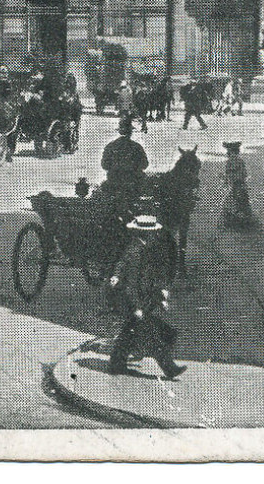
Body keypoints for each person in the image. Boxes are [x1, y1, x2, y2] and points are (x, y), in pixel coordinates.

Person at [106, 213, 185, 380]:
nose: (156, 235)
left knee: (130, 333)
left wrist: (161, 294)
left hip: (142, 302)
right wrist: (137, 308)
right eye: (153, 232)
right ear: (148, 233)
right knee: (157, 337)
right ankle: (169, 369)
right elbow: (131, 285)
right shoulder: (136, 251)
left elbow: (152, 277)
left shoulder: (146, 248)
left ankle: (116, 363)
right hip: (135, 303)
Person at [100, 117, 149, 213]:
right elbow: (145, 164)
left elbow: (104, 165)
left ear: (119, 131)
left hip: (114, 183)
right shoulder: (137, 147)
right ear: (131, 132)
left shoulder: (111, 146)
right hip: (133, 184)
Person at [219, 141, 259, 231]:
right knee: (243, 205)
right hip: (241, 187)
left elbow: (231, 178)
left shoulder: (231, 162)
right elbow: (244, 175)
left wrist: (223, 177)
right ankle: (246, 224)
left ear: (232, 152)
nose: (227, 153)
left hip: (237, 187)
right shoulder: (240, 161)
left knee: (230, 205)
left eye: (228, 151)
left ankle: (237, 226)